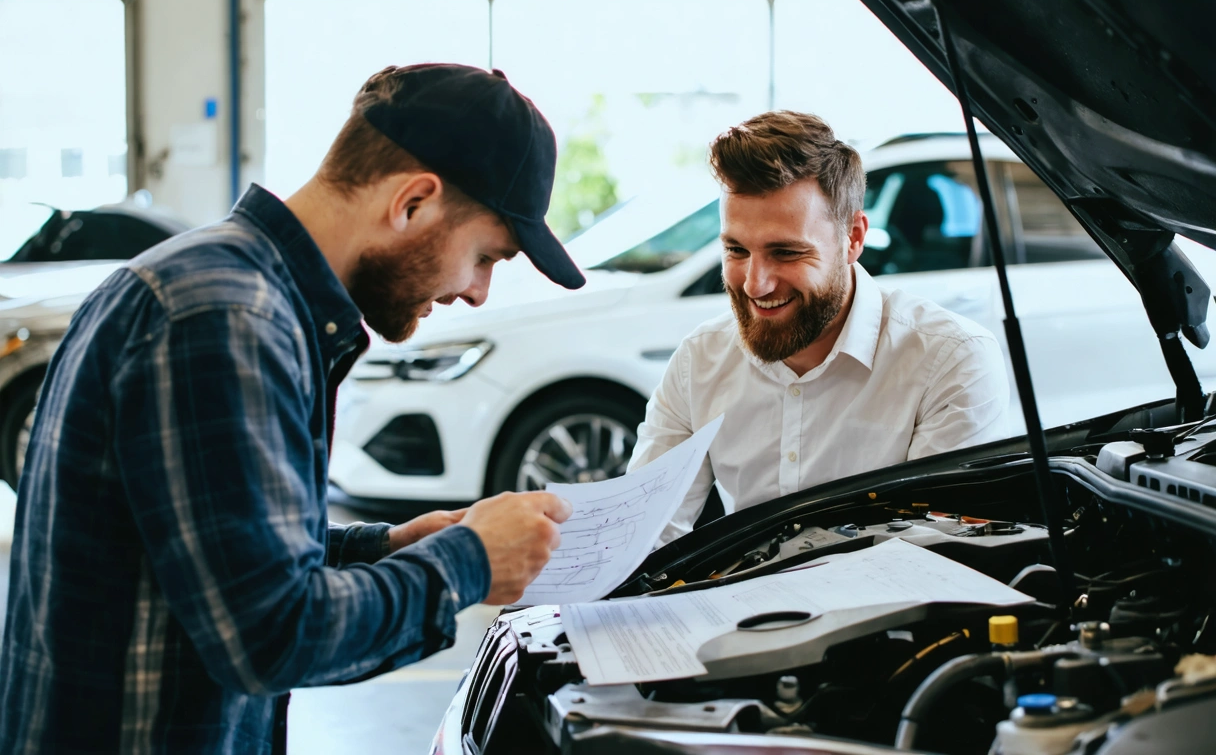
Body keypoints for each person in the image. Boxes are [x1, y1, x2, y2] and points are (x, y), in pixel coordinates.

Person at [0, 64, 582, 753]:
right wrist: (469, 561)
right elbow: (272, 635)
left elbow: (215, 552)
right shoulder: (223, 318)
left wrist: (389, 548)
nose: (478, 291)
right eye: (487, 256)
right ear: (413, 203)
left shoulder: (230, 291)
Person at [631, 111, 1010, 547]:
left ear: (853, 238)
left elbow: (935, 556)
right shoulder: (699, 360)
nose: (756, 284)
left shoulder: (950, 361)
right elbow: (643, 537)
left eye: (786, 252)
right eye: (736, 249)